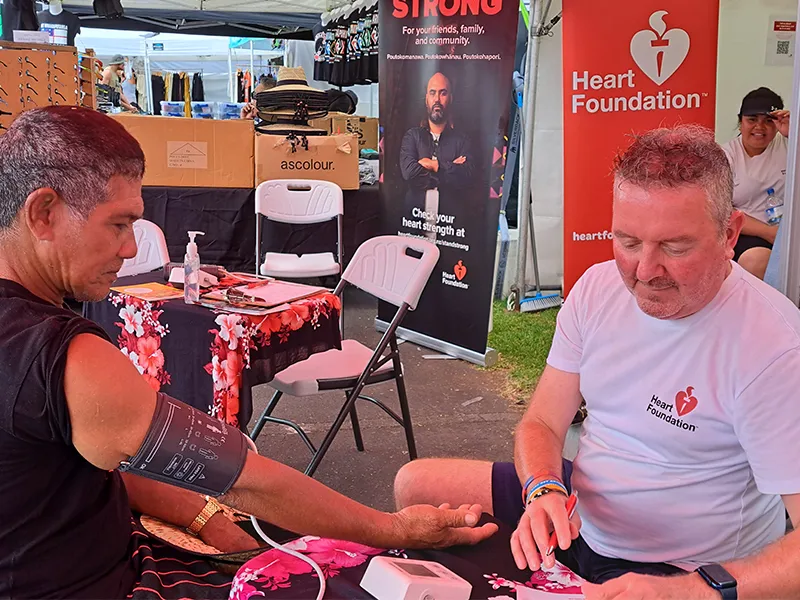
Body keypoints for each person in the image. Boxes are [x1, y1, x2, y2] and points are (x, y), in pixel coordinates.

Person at [0, 106, 497, 598]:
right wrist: (399, 530)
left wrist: (205, 516)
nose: (131, 249)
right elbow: (245, 481)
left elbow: (111, 458)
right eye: (118, 224)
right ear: (44, 214)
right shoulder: (67, 359)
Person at [394, 124, 800, 599]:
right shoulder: (597, 288)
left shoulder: (773, 347)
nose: (645, 271)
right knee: (415, 485)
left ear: (729, 233)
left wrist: (692, 592)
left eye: (675, 247)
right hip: (578, 509)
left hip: (682, 565)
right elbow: (543, 422)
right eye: (628, 241)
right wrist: (542, 490)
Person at [722, 87, 790, 280]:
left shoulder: (788, 145)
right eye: (752, 120)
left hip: (786, 231)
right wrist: (770, 233)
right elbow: (720, 211)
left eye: (769, 121)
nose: (760, 127)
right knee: (757, 261)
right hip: (743, 231)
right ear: (740, 122)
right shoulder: (725, 156)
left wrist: (793, 133)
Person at [399, 71, 474, 239]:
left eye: (443, 93)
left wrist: (434, 165)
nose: (437, 99)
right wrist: (450, 168)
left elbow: (466, 176)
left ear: (451, 98)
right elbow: (409, 173)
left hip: (450, 231)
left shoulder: (462, 140)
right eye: (432, 93)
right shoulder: (413, 136)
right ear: (426, 98)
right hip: (414, 223)